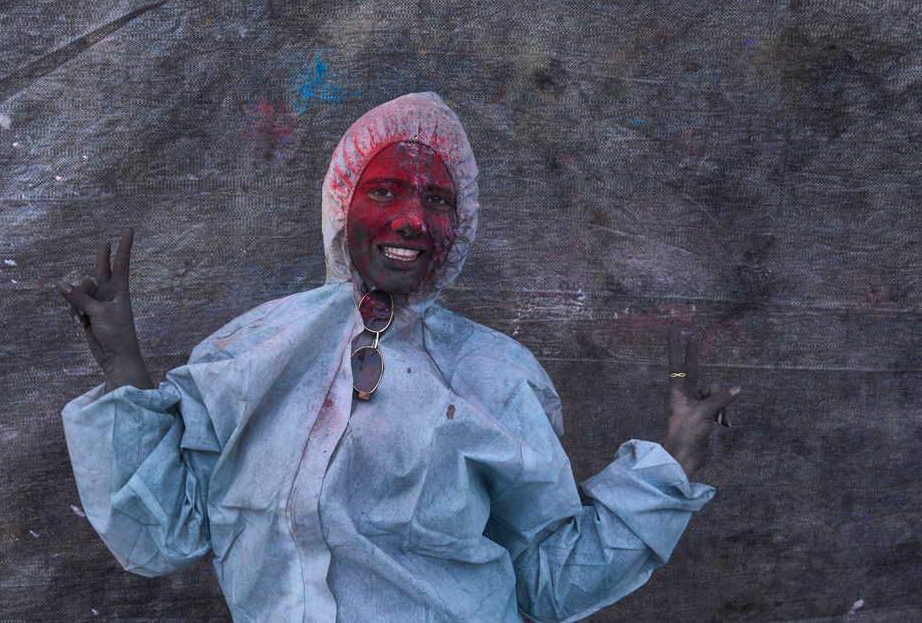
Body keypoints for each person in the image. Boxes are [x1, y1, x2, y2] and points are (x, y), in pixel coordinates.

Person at [57, 92, 740, 622]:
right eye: (385, 191)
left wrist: (670, 466)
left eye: (436, 200)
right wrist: (123, 368)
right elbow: (163, 534)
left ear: (459, 225)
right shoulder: (253, 353)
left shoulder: (495, 377)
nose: (412, 219)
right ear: (341, 202)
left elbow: (545, 581)